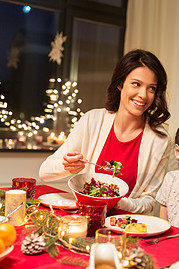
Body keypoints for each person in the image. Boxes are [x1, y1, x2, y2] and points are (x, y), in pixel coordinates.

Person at [39, 49, 172, 214]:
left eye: (151, 88)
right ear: (120, 84)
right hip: (89, 219)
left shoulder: (160, 140)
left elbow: (149, 201)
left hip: (128, 228)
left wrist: (118, 202)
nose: (143, 95)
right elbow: (44, 173)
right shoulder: (92, 120)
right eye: (136, 84)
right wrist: (67, 166)